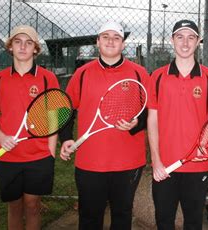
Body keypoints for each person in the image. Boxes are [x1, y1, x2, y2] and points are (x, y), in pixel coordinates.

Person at [59, 21, 149, 229]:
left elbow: (150, 111)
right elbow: (65, 109)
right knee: (90, 217)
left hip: (128, 162)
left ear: (123, 44)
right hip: (89, 162)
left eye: (116, 37)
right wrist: (66, 138)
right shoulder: (82, 73)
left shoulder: (139, 73)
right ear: (97, 41)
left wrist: (137, 123)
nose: (111, 41)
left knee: (122, 216)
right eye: (105, 37)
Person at [0, 25, 59, 230]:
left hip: (39, 155)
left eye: (28, 42)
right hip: (7, 156)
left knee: (33, 205)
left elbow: (54, 118)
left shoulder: (47, 78)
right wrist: (0, 136)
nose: (23, 46)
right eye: (18, 42)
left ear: (35, 49)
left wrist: (51, 151)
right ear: (10, 47)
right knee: (14, 207)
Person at [147, 19, 208, 230]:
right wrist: (156, 160)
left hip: (197, 164)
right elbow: (152, 120)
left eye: (191, 37)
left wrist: (202, 145)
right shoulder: (158, 77)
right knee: (164, 221)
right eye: (180, 37)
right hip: (164, 167)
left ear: (198, 41)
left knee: (194, 222)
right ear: (172, 40)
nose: (185, 43)